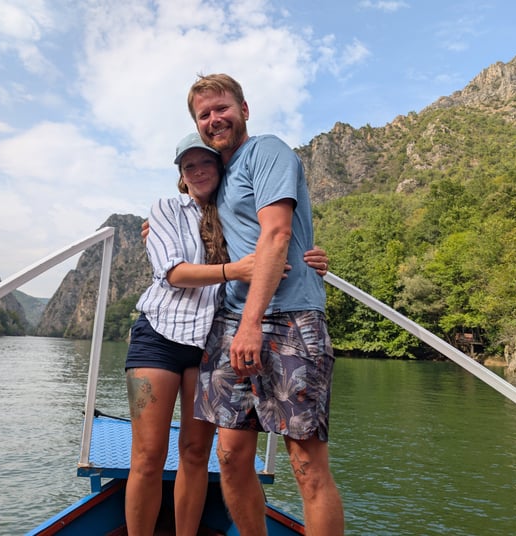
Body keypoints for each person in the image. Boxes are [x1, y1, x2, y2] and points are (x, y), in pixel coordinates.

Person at [124, 132, 330, 535]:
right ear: (181, 176)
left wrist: (310, 259)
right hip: (159, 339)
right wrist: (236, 270)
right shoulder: (166, 208)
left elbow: (275, 239)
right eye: (189, 167)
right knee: (148, 456)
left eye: (206, 163)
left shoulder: (232, 212)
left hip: (209, 341)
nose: (199, 171)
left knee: (196, 451)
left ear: (220, 169)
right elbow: (173, 273)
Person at [188, 73, 345, 535]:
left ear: (244, 109)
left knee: (305, 463)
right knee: (231, 455)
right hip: (232, 321)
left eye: (223, 108)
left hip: (288, 320)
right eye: (204, 114)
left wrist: (252, 323)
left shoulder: (267, 151)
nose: (215, 119)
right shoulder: (218, 175)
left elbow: (276, 232)